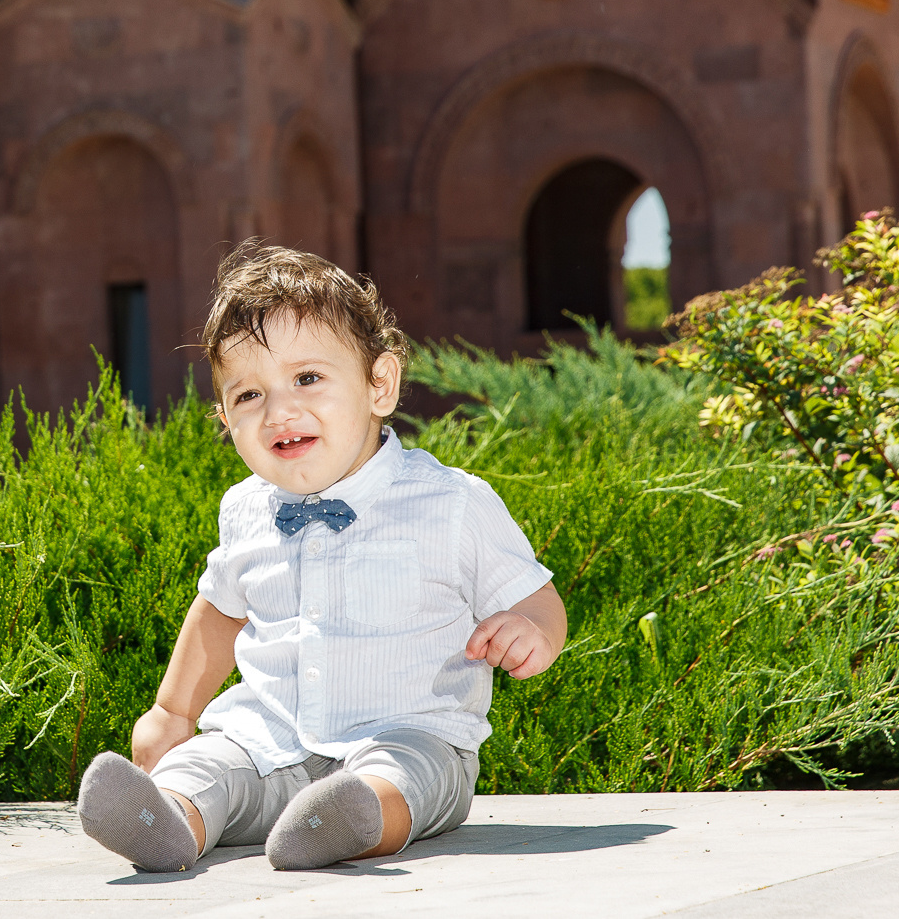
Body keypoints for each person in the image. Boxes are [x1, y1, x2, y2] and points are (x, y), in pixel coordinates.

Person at [76, 241, 566, 872]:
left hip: (409, 733)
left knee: (408, 777)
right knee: (212, 762)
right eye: (250, 394)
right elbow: (219, 614)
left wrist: (531, 632)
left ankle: (351, 821)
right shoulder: (245, 509)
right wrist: (172, 714)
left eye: (308, 378)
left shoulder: (450, 503)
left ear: (378, 384)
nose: (281, 410)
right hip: (269, 738)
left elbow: (537, 599)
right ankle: (168, 821)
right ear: (223, 415)